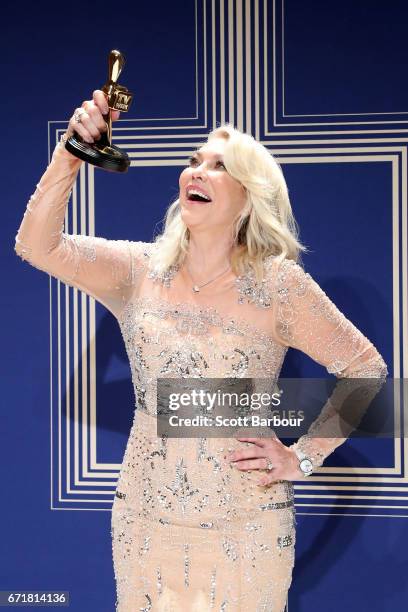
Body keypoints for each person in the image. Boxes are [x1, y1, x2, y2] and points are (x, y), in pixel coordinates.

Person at [15, 90, 388, 612]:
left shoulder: (280, 284)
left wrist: (302, 457)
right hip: (145, 520)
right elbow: (37, 246)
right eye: (193, 162)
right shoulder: (135, 268)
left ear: (250, 194)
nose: (196, 172)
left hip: (247, 525)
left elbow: (365, 369)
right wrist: (73, 150)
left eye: (218, 166)